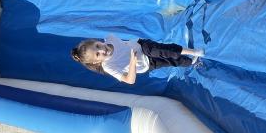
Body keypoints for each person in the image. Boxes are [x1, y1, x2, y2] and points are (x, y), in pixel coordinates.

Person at [72, 35, 203, 84]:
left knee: (165, 50)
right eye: (98, 54)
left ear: (97, 41)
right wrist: (132, 63)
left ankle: (194, 51)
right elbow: (130, 80)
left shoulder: (110, 38)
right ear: (96, 62)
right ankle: (191, 61)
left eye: (98, 46)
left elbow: (124, 46)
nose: (102, 50)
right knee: (171, 61)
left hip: (142, 46)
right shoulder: (108, 66)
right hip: (146, 64)